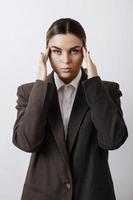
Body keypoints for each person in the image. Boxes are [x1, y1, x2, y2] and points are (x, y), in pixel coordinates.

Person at [12, 18, 128, 200]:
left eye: (74, 51)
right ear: (46, 54)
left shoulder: (106, 91)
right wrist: (41, 84)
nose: (65, 60)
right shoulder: (29, 92)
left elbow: (113, 140)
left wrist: (94, 82)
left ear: (85, 53)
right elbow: (27, 143)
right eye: (57, 52)